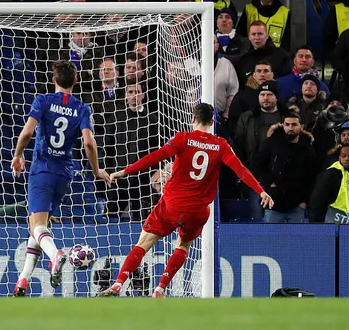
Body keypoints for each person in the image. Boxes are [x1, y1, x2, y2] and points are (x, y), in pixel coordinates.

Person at [99, 103, 273, 298]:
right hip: (198, 211)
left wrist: (124, 172)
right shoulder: (220, 144)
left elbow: (154, 157)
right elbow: (240, 169)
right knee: (183, 246)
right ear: (212, 121)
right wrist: (260, 191)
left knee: (144, 241)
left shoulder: (183, 138)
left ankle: (117, 284)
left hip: (173, 204)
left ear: (193, 119)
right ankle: (160, 289)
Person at [11, 60, 110, 296]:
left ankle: (55, 255)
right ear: (75, 82)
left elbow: (27, 132)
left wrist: (17, 155)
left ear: (53, 80)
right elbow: (88, 142)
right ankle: (23, 281)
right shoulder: (82, 108)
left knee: (38, 226)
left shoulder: (43, 101)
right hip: (65, 173)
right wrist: (96, 170)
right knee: (36, 224)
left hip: (43, 169)